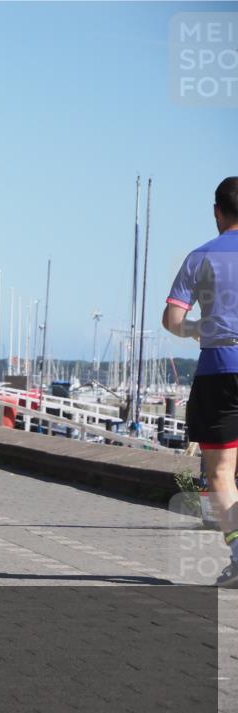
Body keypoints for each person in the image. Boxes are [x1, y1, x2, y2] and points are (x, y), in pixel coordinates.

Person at [163, 176, 238, 588]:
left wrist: (196, 330)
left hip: (219, 367)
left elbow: (172, 320)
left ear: (217, 210)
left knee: (221, 474)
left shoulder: (200, 256)